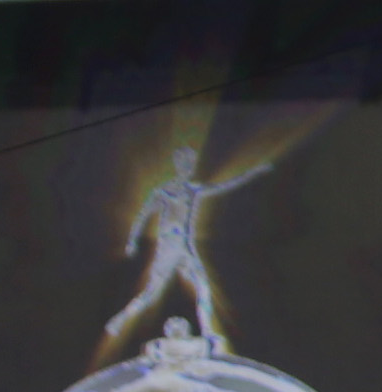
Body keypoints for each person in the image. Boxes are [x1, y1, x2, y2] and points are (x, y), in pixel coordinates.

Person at [99, 143, 273, 361]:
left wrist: (252, 172)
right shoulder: (164, 192)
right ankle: (119, 321)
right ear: (178, 165)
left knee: (203, 289)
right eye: (185, 163)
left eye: (190, 164)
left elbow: (223, 186)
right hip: (169, 246)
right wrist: (132, 241)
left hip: (185, 246)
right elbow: (144, 215)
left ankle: (209, 330)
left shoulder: (193, 189)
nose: (188, 168)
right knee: (151, 294)